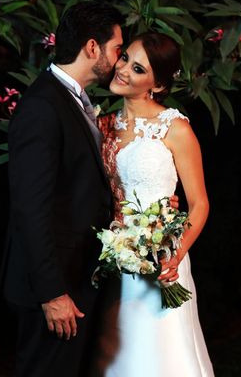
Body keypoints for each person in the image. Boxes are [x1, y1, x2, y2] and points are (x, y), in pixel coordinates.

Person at [0, 1, 124, 377]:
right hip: (53, 288)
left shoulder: (72, 100)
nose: (119, 60)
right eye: (117, 48)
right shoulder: (43, 106)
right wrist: (52, 294)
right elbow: (30, 208)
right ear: (91, 48)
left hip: (76, 276)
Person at [92, 32, 214, 376]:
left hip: (163, 259)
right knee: (122, 356)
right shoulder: (102, 126)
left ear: (157, 84)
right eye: (125, 58)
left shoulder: (174, 128)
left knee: (163, 355)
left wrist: (174, 257)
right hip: (115, 258)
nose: (124, 70)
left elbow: (200, 203)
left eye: (138, 68)